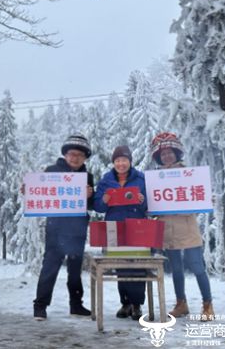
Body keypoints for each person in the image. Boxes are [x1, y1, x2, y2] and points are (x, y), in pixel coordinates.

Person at [150, 132, 215, 321]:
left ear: (177, 153)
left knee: (197, 267)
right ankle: (181, 303)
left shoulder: (189, 174)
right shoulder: (156, 179)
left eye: (170, 152)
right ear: (159, 157)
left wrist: (205, 199)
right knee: (176, 270)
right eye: (163, 154)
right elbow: (153, 205)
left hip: (187, 228)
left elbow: (199, 196)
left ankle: (207, 304)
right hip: (168, 230)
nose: (167, 156)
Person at [33, 134, 95, 321]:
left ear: (84, 158)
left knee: (75, 269)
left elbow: (91, 205)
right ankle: (40, 306)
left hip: (77, 229)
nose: (75, 158)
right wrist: (28, 190)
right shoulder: (52, 171)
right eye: (72, 154)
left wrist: (90, 195)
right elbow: (38, 193)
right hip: (56, 228)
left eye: (79, 155)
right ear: (65, 155)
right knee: (50, 267)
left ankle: (76, 305)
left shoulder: (87, 176)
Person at [94, 145, 147, 321]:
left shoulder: (141, 178)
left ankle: (137, 305)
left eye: (124, 160)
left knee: (138, 265)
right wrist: (104, 200)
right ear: (113, 162)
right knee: (121, 266)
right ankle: (125, 303)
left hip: (137, 226)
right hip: (114, 227)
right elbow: (98, 207)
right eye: (117, 160)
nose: (121, 163)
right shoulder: (106, 180)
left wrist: (142, 201)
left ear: (130, 162)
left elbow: (150, 204)